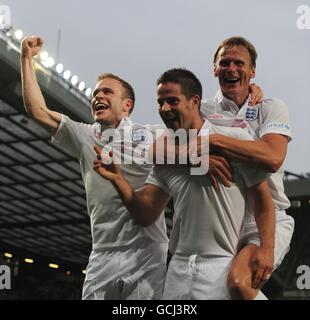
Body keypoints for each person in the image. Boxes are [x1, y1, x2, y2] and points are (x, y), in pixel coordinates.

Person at [93, 68, 275, 299]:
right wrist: (118, 179)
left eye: (172, 101)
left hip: (220, 265)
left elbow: (263, 200)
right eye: (160, 103)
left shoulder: (233, 140)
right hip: (177, 270)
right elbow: (146, 213)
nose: (165, 109)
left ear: (194, 101)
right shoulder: (166, 156)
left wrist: (266, 248)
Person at [20, 36, 169, 300]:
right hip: (102, 254)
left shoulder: (153, 135)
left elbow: (197, 133)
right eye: (95, 94)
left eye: (107, 92)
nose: (98, 96)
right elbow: (38, 111)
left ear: (127, 105)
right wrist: (26, 59)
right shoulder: (85, 135)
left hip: (146, 252)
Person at [200, 36, 295, 299]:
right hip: (221, 218)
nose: (231, 68)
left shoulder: (271, 108)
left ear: (252, 71)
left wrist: (213, 141)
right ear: (214, 69)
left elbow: (273, 157)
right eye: (225, 62)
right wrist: (197, 156)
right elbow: (167, 146)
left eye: (239, 63)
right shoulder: (200, 110)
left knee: (240, 284)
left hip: (265, 217)